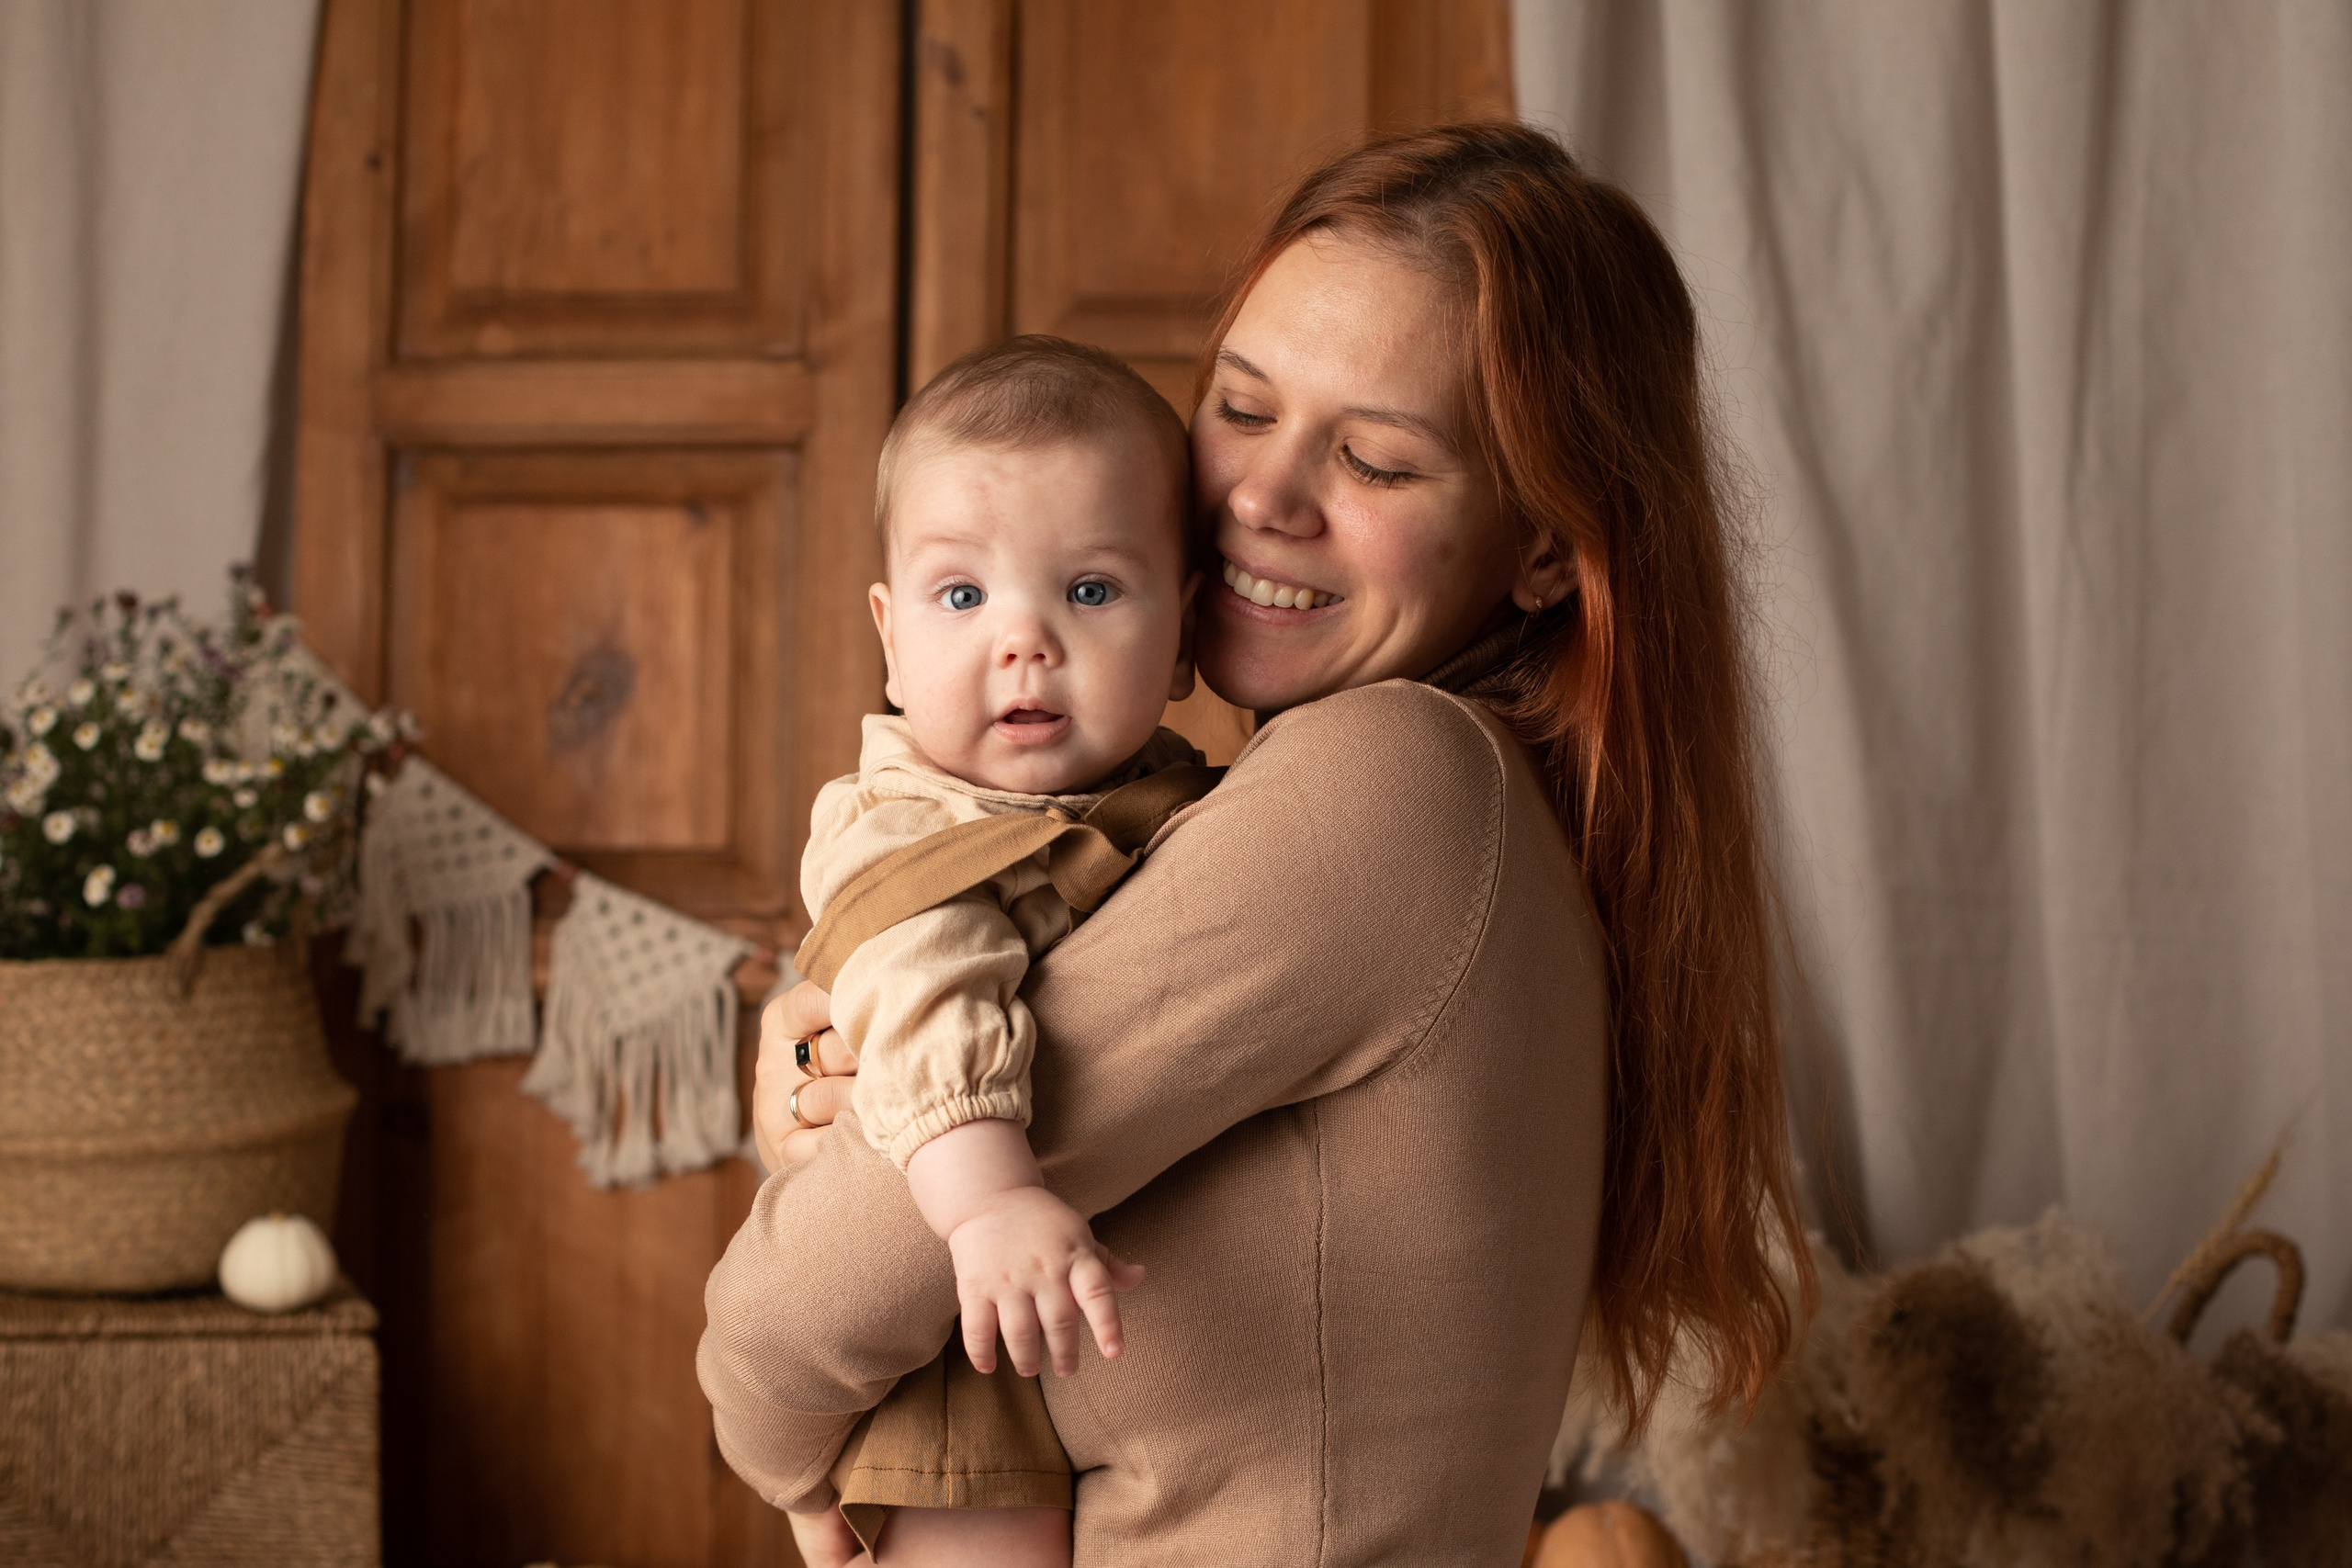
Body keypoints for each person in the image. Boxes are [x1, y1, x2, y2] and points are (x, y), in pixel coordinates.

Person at [703, 121, 1812, 1568]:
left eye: (1371, 458)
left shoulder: (1391, 787)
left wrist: (766, 1416)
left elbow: (803, 1306)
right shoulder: (1401, 809)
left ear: (1548, 547)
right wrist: (833, 1056)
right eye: (1241, 405)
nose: (1258, 500)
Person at [794, 334, 1216, 1563]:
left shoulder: (1181, 800)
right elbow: (922, 989)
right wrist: (985, 1207)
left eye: (1089, 591)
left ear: (1185, 632)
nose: (1022, 640)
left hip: (1128, 1324)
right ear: (890, 633)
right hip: (954, 1333)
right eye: (963, 597)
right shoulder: (906, 829)